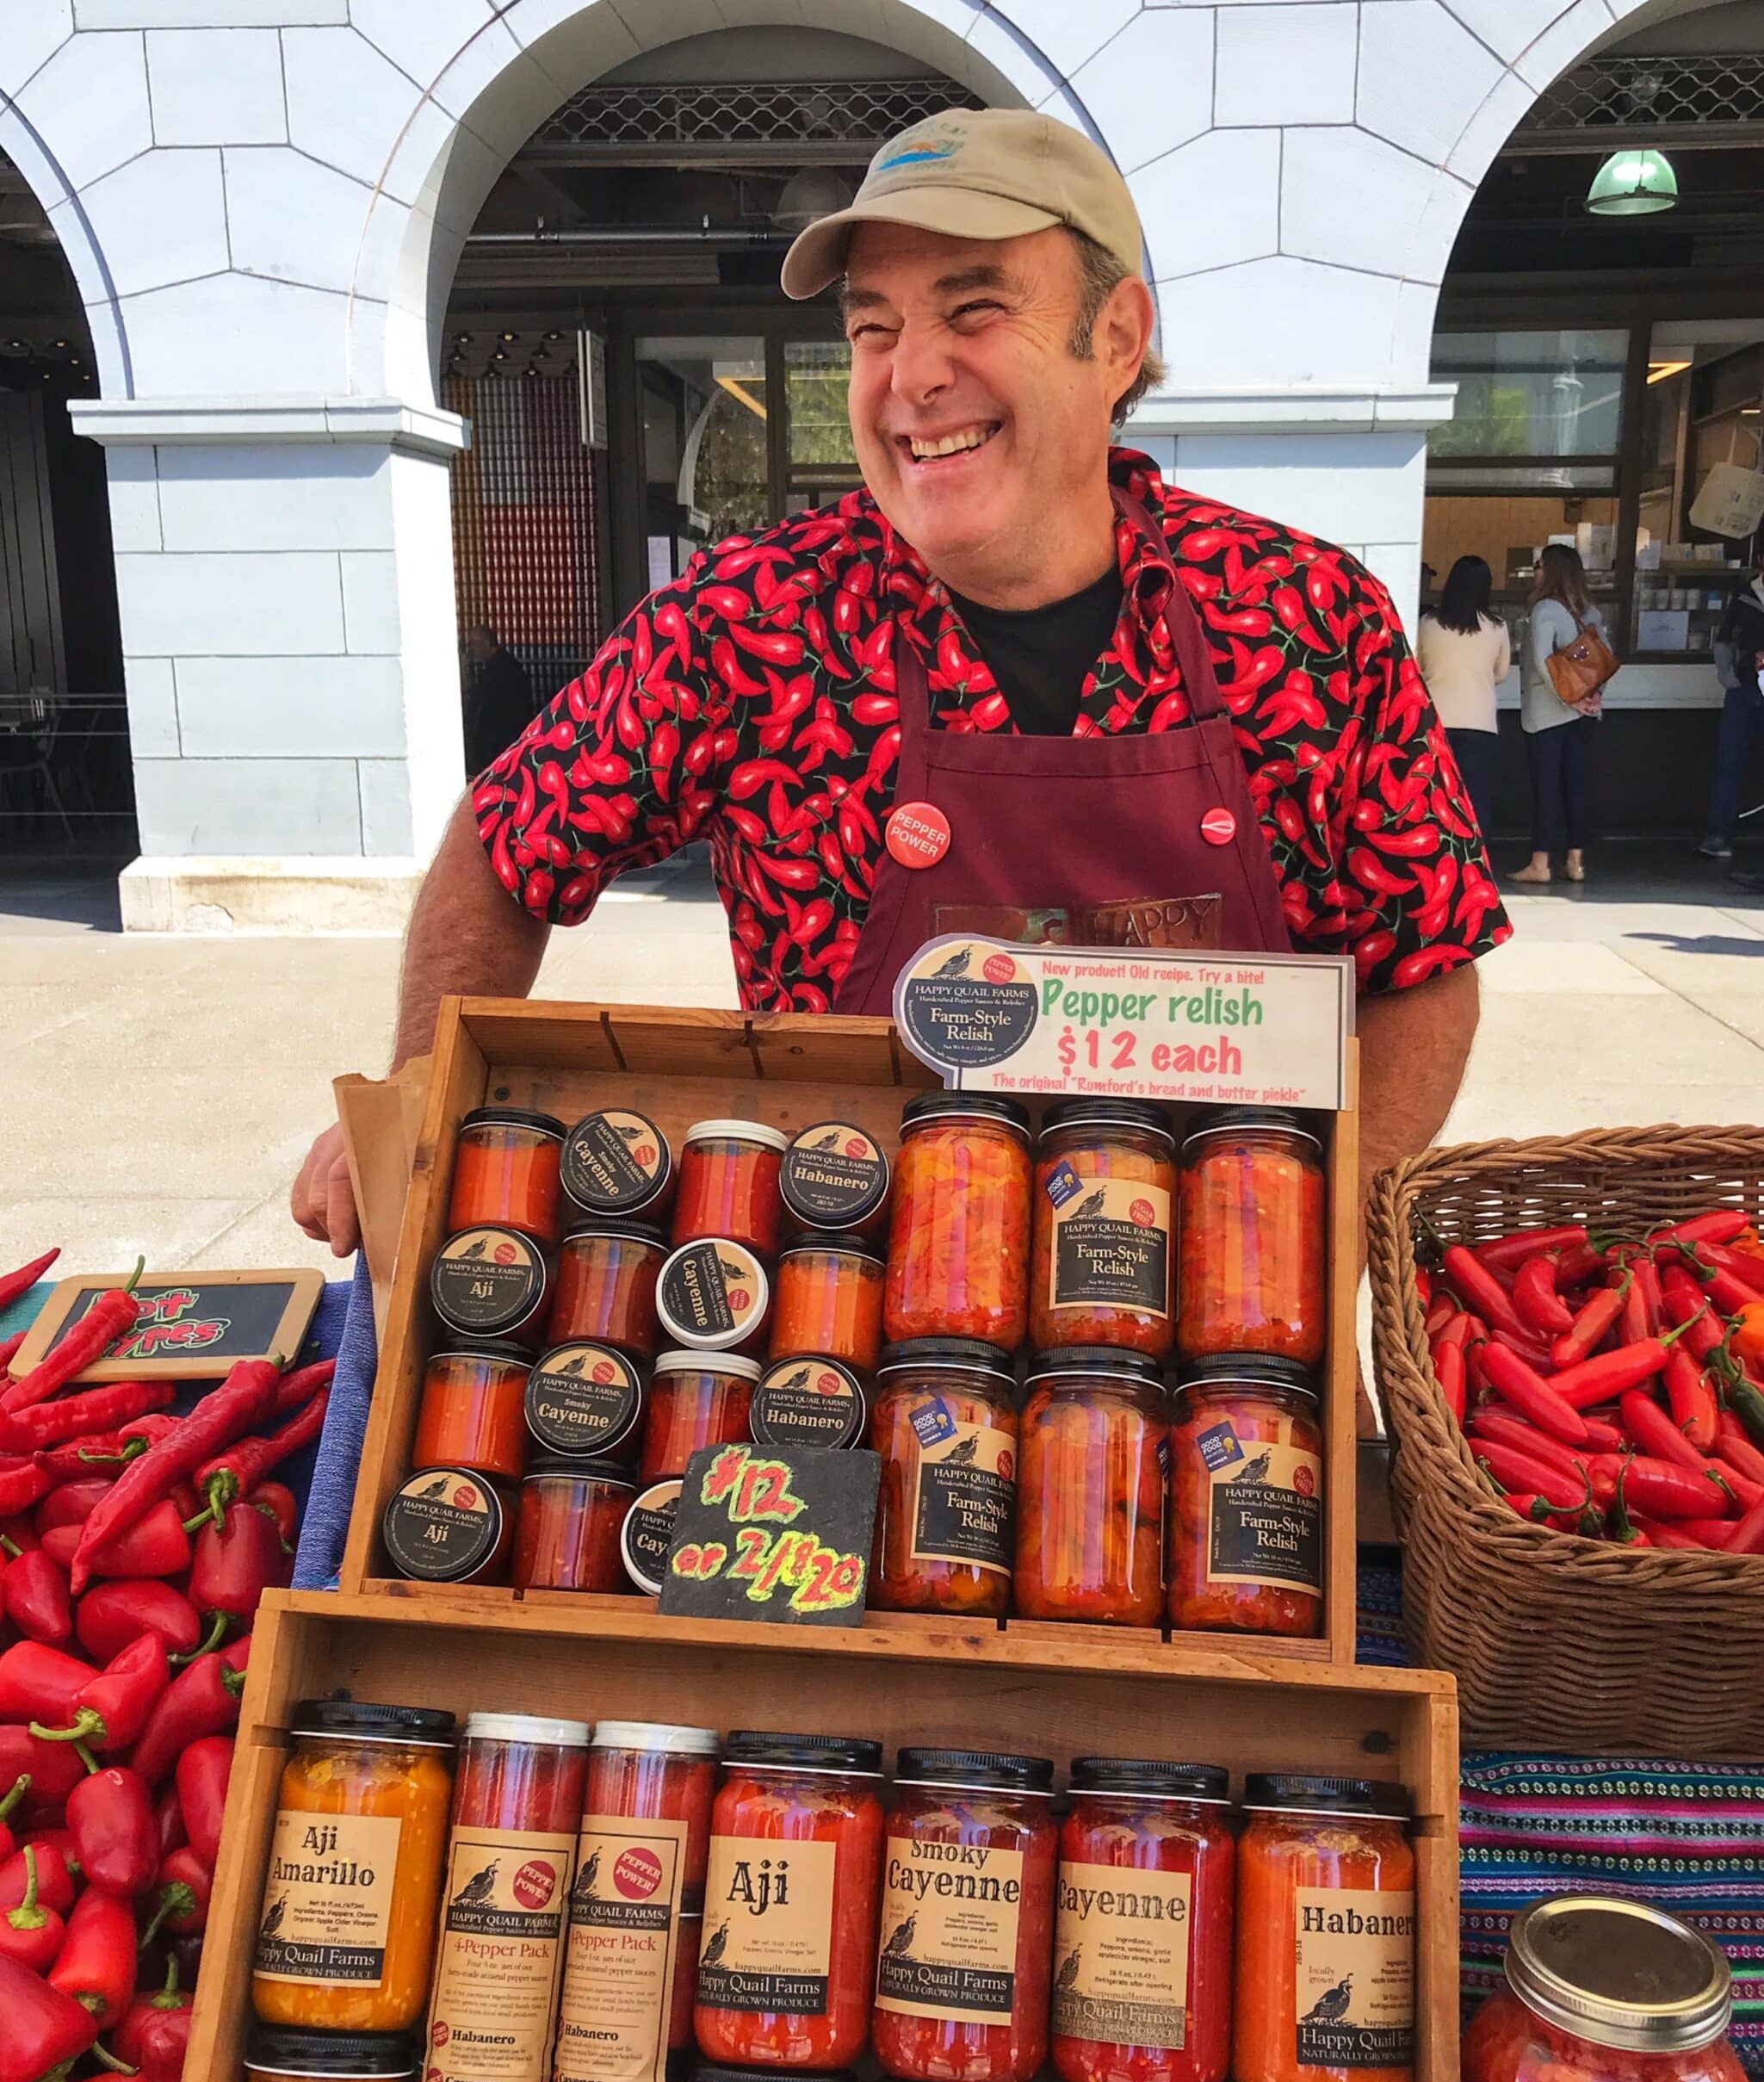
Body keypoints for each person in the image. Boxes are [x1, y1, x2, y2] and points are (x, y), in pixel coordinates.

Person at [294, 108, 1508, 1351]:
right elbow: (504, 845)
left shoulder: (1302, 617)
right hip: (848, 1338)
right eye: (873, 328)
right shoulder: (751, 622)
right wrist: (409, 1095)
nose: (910, 374)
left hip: (1215, 1370)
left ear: (1117, 337)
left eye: (973, 310)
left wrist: (1322, 1247)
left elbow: (1425, 963)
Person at [1513, 545, 1606, 886]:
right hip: (1582, 717)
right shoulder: (1590, 612)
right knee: (1576, 788)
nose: (1535, 571)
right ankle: (1576, 862)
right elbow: (1603, 662)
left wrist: (1568, 700)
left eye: (1538, 565)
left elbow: (1541, 662)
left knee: (1545, 790)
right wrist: (1590, 699)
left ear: (1549, 570)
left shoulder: (1545, 610)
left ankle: (1540, 863)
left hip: (1546, 716)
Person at [1415, 555, 1510, 839]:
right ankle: (1475, 861)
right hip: (1480, 722)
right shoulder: (1497, 626)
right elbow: (1502, 673)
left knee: (1435, 792)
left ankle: (1436, 852)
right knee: (1476, 795)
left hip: (1435, 720)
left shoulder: (1428, 623)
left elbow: (1416, 667)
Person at [1698, 571, 1764, 861]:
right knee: (1730, 762)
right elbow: (1725, 639)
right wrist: (1728, 677)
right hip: (1745, 689)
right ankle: (1718, 834)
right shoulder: (1745, 595)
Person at [462, 623, 535, 778]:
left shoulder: (501, 670)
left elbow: (481, 701)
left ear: (485, 642)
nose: (472, 651)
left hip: (502, 740)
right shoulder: (501, 665)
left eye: (474, 645)